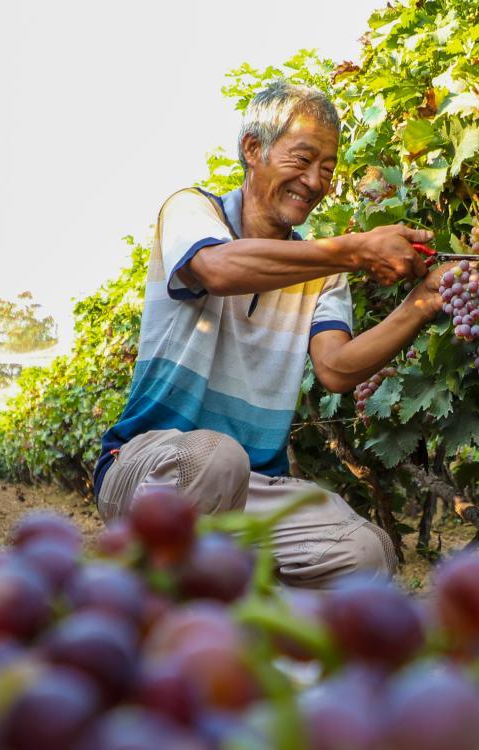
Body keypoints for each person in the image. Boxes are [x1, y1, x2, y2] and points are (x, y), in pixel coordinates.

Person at [93, 80, 450, 588]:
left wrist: (423, 302)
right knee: (217, 459)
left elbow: (336, 369)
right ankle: (151, 606)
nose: (314, 180)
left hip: (255, 489)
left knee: (365, 553)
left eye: (327, 168)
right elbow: (217, 268)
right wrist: (353, 249)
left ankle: (238, 606)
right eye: (302, 159)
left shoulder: (324, 273)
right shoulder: (192, 211)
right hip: (150, 468)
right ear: (252, 148)